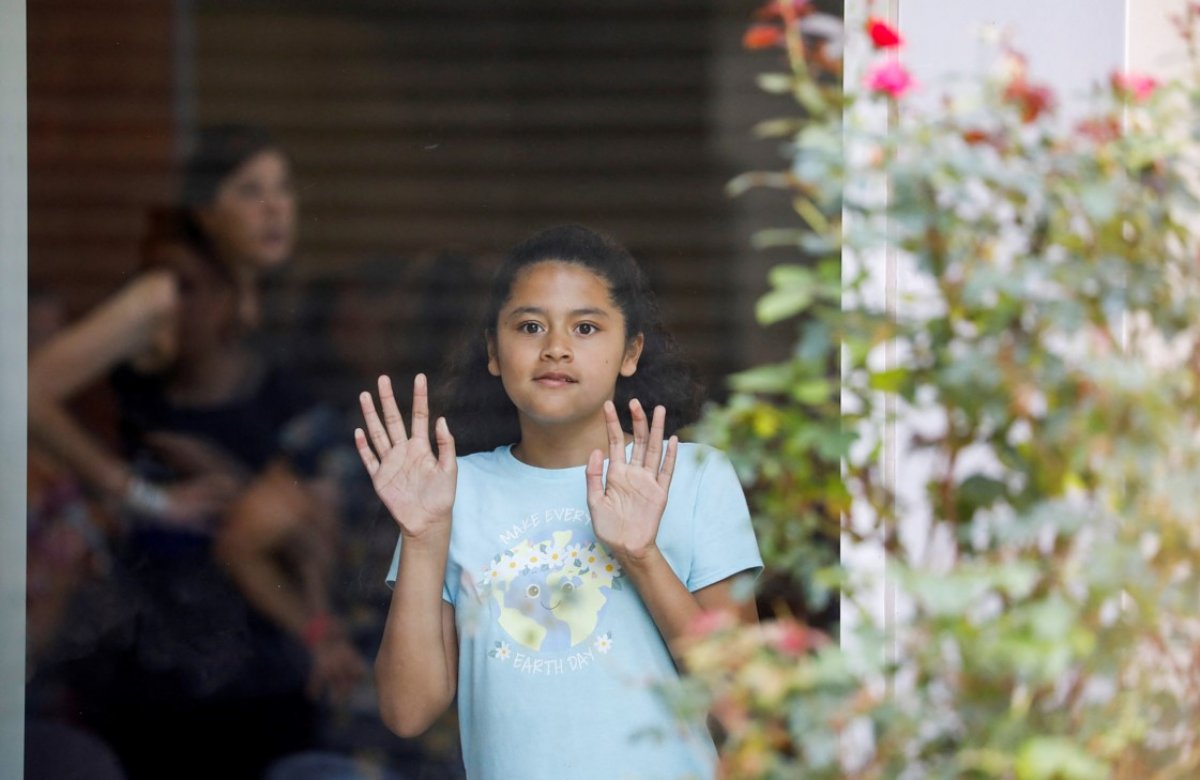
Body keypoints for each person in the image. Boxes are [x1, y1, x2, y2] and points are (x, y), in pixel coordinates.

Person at [355, 224, 763, 780]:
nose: (556, 347)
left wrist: (642, 555)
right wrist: (424, 538)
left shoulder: (691, 478)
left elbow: (744, 707)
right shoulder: (451, 491)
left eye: (587, 327)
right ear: (494, 352)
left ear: (631, 351)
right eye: (529, 326)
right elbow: (407, 712)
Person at [27, 125, 364, 779]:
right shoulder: (168, 296)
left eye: (283, 191)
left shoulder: (274, 314)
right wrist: (138, 493)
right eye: (250, 191)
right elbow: (30, 389)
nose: (275, 208)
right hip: (173, 660)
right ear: (206, 211)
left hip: (269, 652)